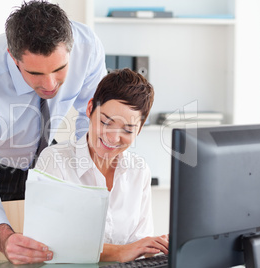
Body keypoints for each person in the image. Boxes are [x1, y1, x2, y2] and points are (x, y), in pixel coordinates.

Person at [0, 0, 107, 264]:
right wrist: (4, 236)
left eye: (59, 69)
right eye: (35, 73)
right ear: (13, 56)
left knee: (48, 257)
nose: (50, 84)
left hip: (42, 157)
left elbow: (92, 119)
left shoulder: (87, 47)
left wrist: (83, 177)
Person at [35, 68, 169, 262]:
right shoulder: (55, 161)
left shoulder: (139, 171)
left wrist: (155, 246)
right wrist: (121, 252)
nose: (113, 137)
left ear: (140, 128)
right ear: (90, 109)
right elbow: (47, 247)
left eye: (128, 129)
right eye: (106, 122)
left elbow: (139, 245)